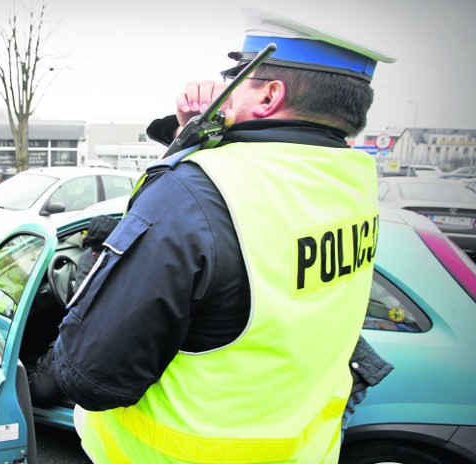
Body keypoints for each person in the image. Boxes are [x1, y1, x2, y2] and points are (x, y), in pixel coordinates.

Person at [32, 7, 395, 463]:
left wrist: (93, 274)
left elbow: (92, 377)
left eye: (238, 77)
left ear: (269, 98)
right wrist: (190, 129)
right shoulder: (352, 185)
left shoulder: (193, 194)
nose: (224, 89)